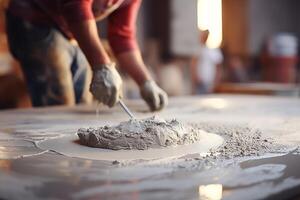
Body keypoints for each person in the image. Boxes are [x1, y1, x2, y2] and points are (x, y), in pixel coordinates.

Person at [5, 0, 168, 111]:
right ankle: (57, 159)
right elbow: (76, 6)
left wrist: (146, 82)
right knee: (60, 105)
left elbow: (122, 36)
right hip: (34, 18)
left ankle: (72, 158)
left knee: (82, 101)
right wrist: (102, 65)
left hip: (69, 27)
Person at [191, 30, 223, 94]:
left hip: (210, 82)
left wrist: (216, 81)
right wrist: (195, 77)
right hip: (200, 82)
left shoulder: (214, 51)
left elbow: (218, 67)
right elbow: (193, 65)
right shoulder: (198, 50)